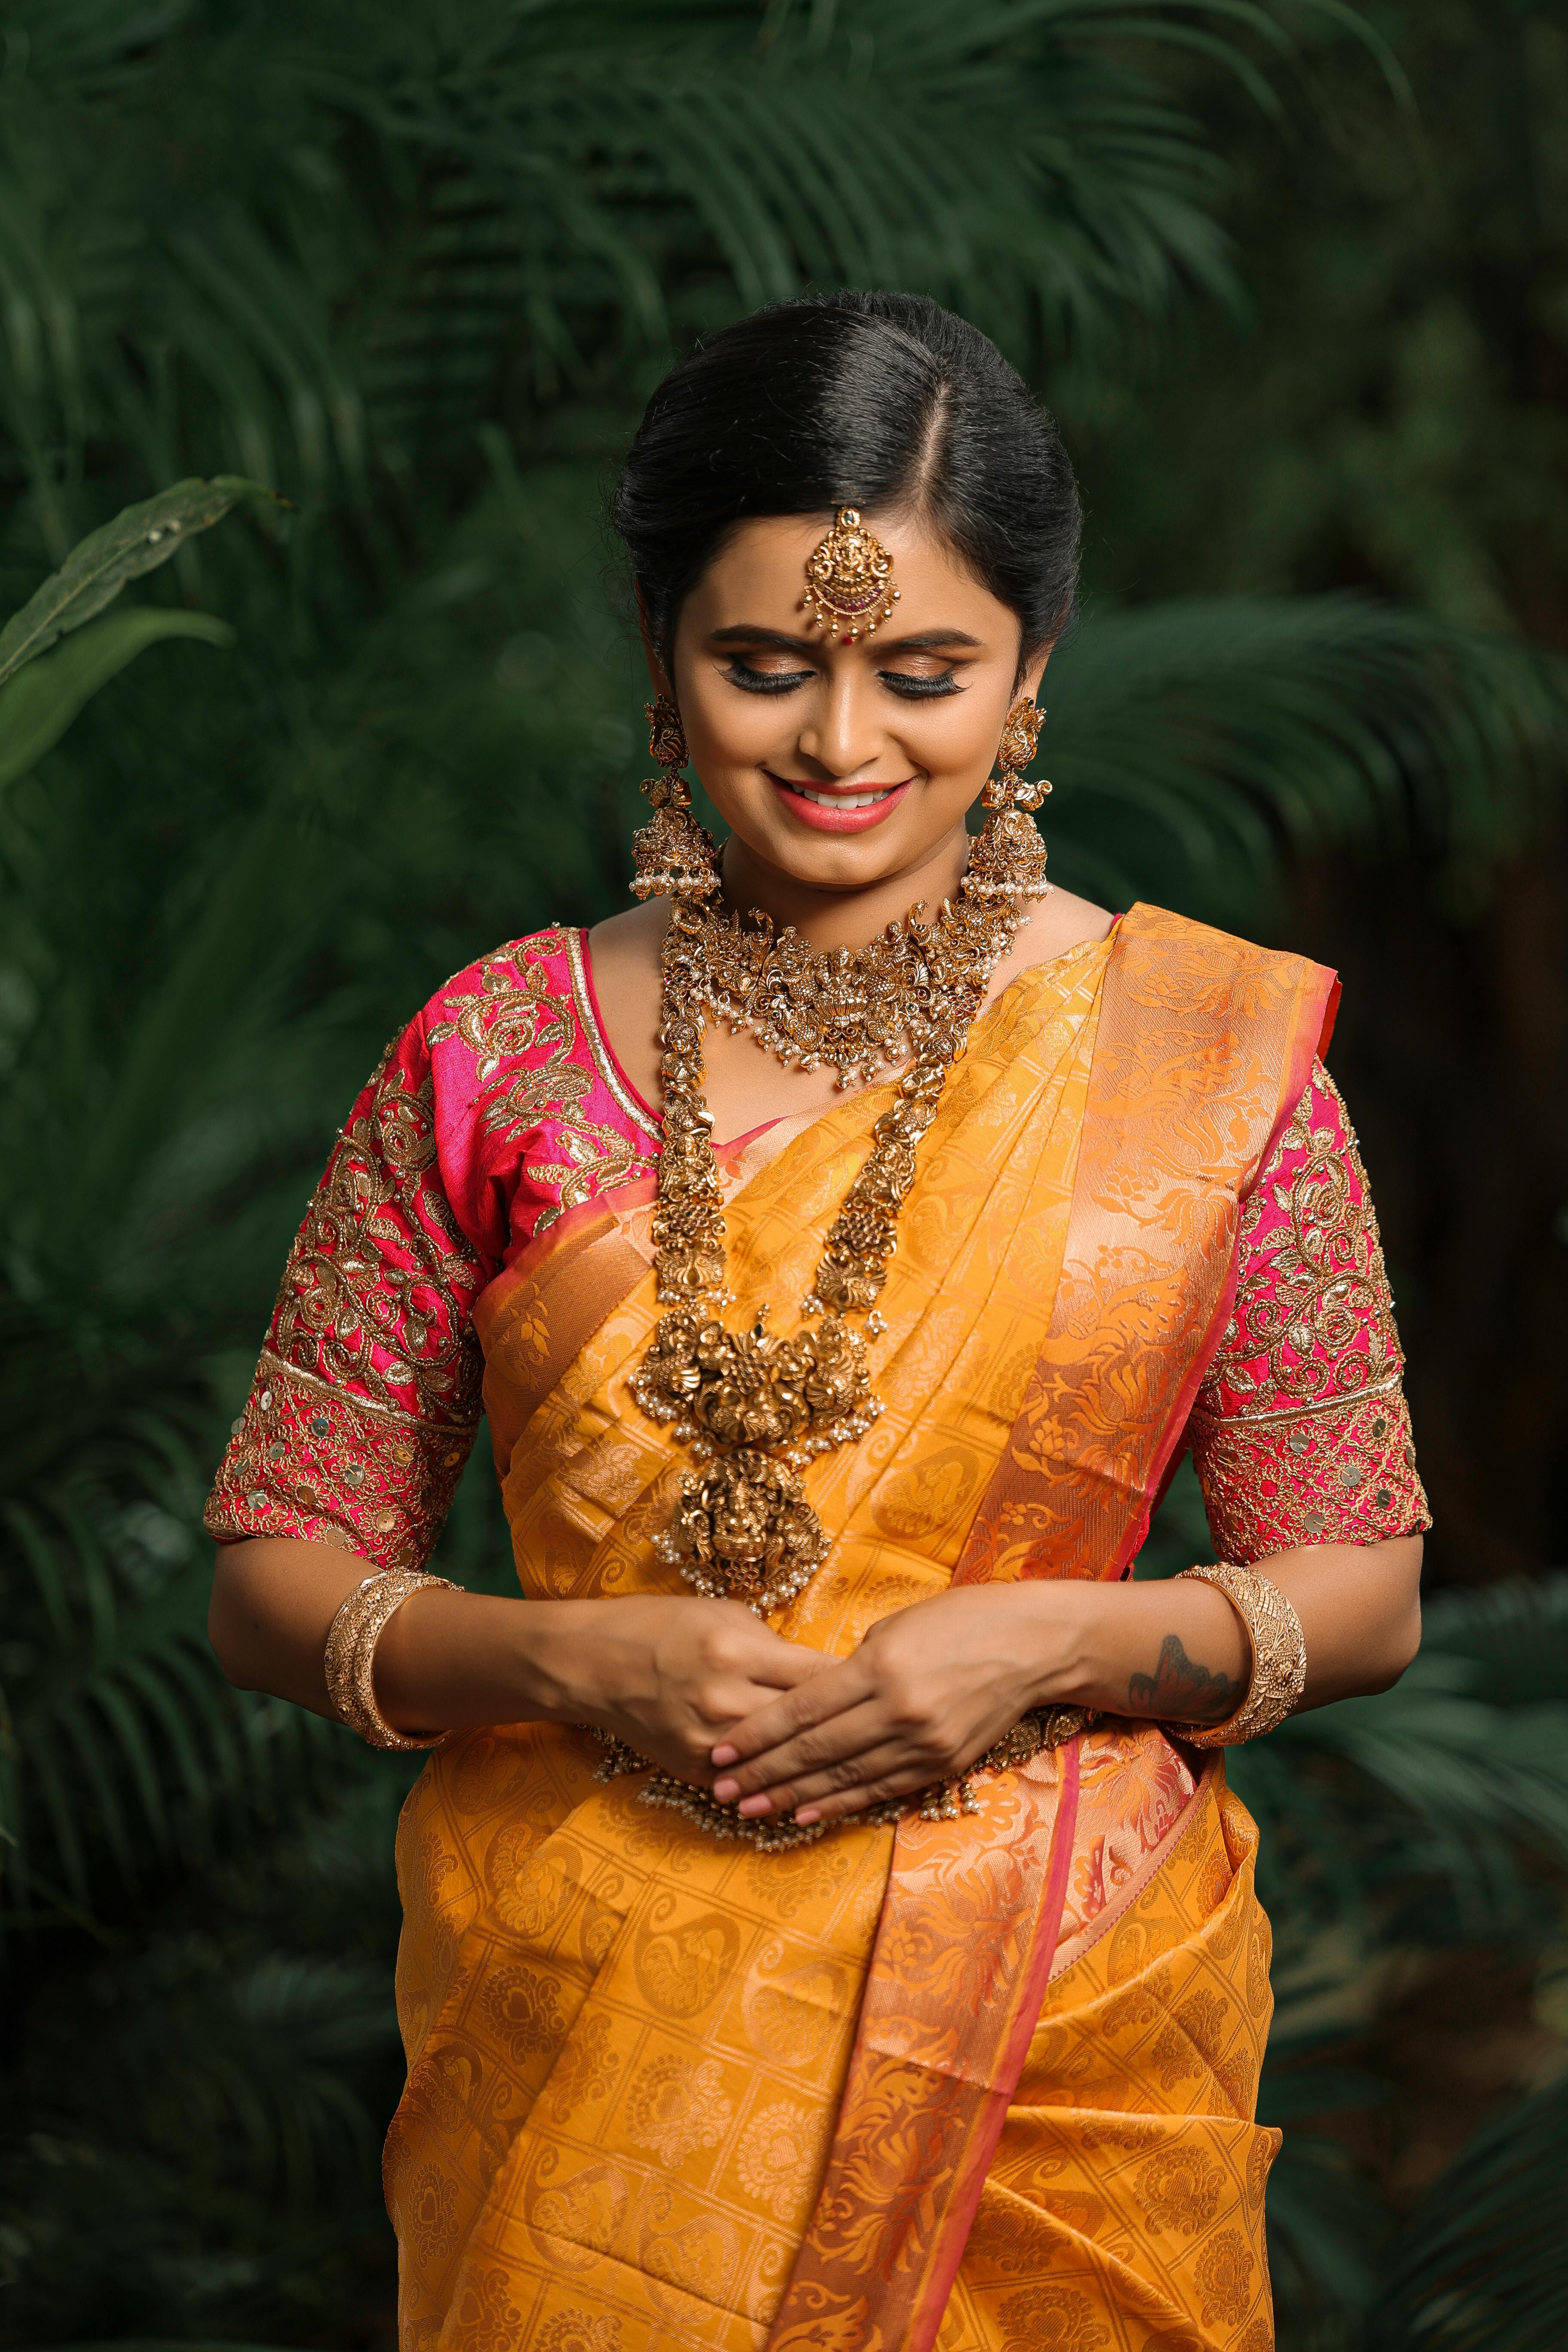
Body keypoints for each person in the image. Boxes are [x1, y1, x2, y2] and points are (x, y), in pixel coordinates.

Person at [206, 291, 1427, 2352]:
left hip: (1058, 2035)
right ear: (664, 664)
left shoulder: (1209, 1062)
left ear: (1029, 678)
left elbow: (1367, 1572)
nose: (844, 745)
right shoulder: (498, 1053)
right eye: (765, 665)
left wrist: (1050, 1640)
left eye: (924, 673)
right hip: (586, 2036)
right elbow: (274, 1572)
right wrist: (567, 1659)